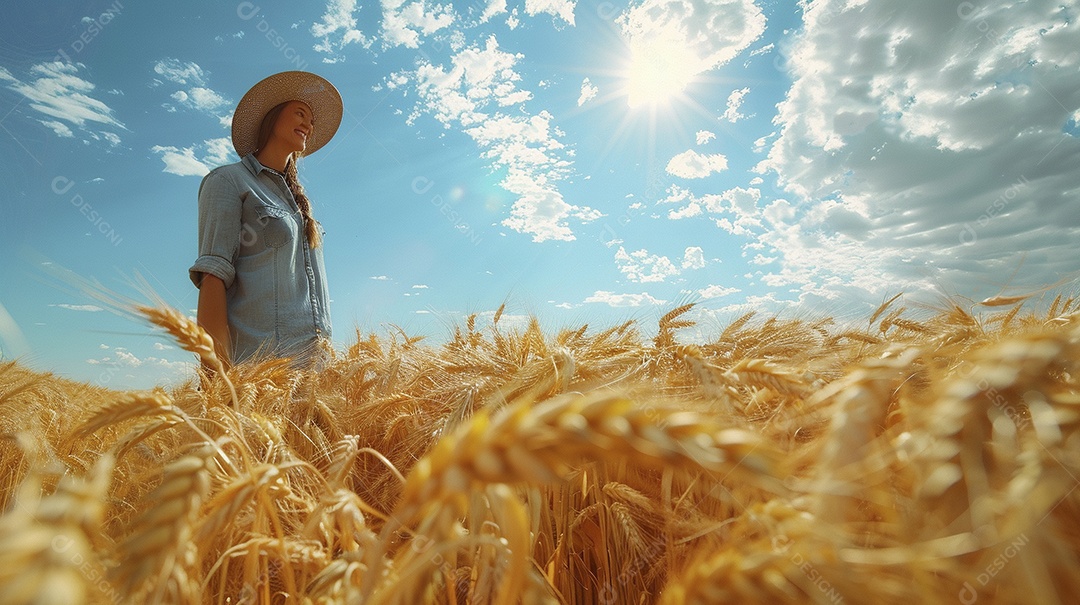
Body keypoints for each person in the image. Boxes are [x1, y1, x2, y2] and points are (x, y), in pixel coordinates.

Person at [189, 71, 343, 370]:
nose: (309, 125)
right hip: (260, 371)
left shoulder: (301, 205)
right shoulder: (229, 181)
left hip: (317, 373)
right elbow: (213, 277)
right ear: (272, 118)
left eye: (311, 121)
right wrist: (216, 379)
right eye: (300, 114)